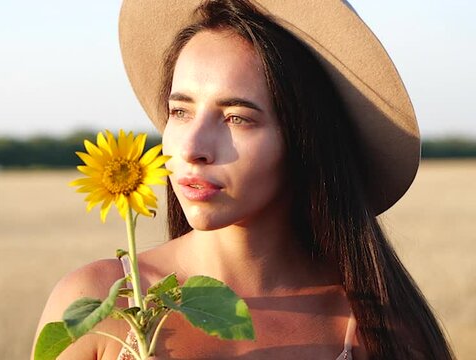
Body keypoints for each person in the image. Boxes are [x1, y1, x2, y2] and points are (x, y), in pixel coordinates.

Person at [34, 0, 455, 359]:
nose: (192, 147)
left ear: (303, 141)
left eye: (237, 118)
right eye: (180, 111)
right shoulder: (99, 306)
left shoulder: (376, 331)